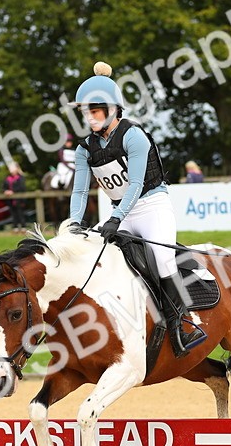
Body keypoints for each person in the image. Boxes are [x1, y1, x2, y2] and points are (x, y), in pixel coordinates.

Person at [65, 61, 206, 357]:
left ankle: (183, 324)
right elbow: (80, 191)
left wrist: (115, 218)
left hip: (152, 206)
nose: (89, 117)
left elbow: (137, 184)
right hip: (121, 212)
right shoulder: (85, 149)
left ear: (112, 110)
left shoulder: (133, 136)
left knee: (162, 259)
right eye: (86, 111)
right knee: (97, 259)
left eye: (95, 110)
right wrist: (74, 223)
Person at [3, 162, 27, 233]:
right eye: (10, 168)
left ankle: (23, 227)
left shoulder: (21, 177)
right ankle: (15, 227)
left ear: (17, 169)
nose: (11, 170)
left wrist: (12, 191)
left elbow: (22, 187)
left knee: (21, 213)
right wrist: (5, 191)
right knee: (13, 213)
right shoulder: (7, 178)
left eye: (12, 168)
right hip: (10, 200)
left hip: (20, 199)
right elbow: (3, 187)